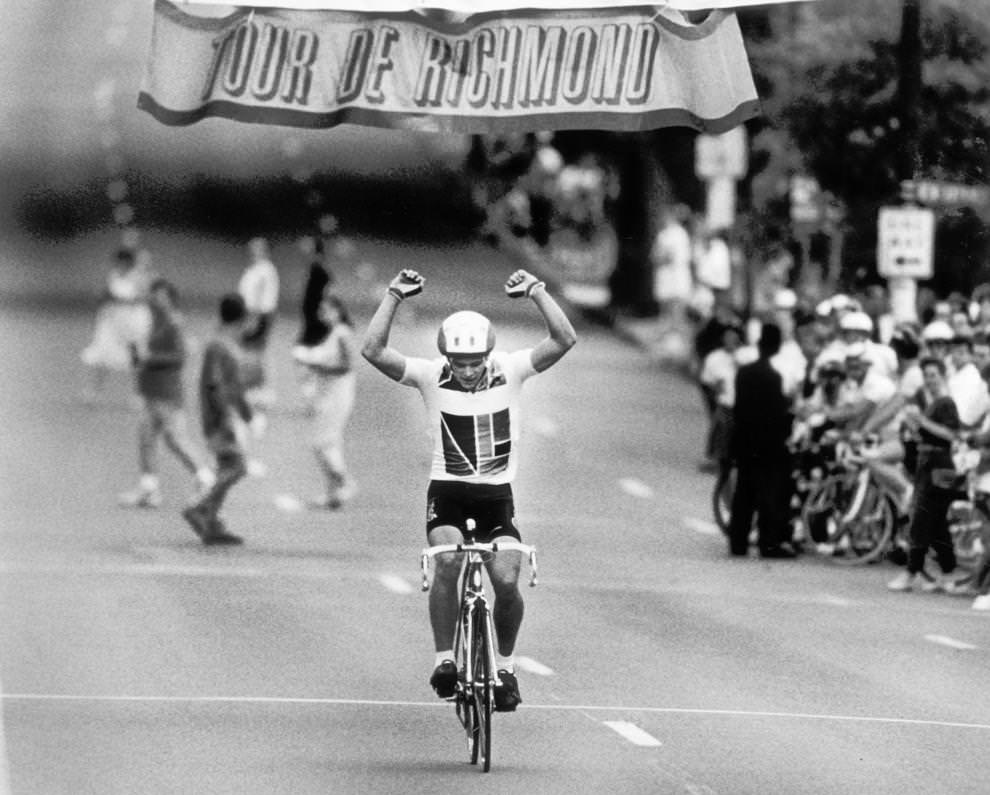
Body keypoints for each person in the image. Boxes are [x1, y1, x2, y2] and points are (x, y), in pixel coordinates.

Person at [361, 267, 576, 712]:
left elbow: (563, 340)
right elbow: (372, 350)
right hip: (448, 493)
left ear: (487, 355)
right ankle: (445, 661)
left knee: (506, 580)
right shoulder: (428, 374)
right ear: (446, 359)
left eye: (474, 362)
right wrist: (394, 296)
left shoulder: (511, 370)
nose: (466, 370)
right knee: (447, 565)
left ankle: (506, 669)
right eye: (459, 364)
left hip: (497, 494)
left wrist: (537, 292)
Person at [118, 278, 215, 508]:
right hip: (152, 390)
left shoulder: (173, 323)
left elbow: (180, 357)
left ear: (170, 300)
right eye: (153, 296)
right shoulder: (154, 322)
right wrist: (134, 351)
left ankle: (207, 480)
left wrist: (147, 359)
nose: (155, 301)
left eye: (160, 297)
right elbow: (138, 361)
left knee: (176, 439)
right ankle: (149, 490)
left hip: (167, 393)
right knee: (146, 439)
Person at [182, 294, 259, 546]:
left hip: (223, 414)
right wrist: (227, 417)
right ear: (242, 317)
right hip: (219, 417)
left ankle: (211, 524)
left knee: (228, 467)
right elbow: (217, 384)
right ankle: (200, 506)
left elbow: (233, 385)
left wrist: (246, 412)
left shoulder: (223, 343)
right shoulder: (220, 345)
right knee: (238, 467)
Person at [888, 356, 963, 592]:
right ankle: (948, 571)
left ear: (942, 375)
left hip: (940, 463)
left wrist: (922, 422)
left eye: (933, 375)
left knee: (922, 518)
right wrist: (915, 426)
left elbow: (951, 434)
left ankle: (912, 571)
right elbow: (927, 435)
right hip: (929, 462)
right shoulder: (933, 404)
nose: (929, 380)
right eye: (926, 376)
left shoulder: (946, 403)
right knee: (936, 521)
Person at [727, 322, 796, 558]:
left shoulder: (744, 373)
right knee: (769, 493)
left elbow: (737, 407)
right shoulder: (773, 377)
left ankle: (738, 542)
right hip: (768, 443)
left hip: (744, 439)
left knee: (743, 492)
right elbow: (778, 412)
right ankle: (768, 543)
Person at [292, 293, 358, 509]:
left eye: (326, 310)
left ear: (337, 311)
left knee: (322, 443)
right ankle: (332, 494)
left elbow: (348, 365)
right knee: (329, 443)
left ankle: (343, 481)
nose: (323, 315)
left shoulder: (342, 334)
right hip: (328, 393)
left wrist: (317, 367)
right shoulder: (333, 334)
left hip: (337, 396)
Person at [80, 247, 152, 402]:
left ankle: (137, 394)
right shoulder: (113, 275)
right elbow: (104, 295)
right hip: (112, 321)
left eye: (122, 262)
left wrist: (117, 299)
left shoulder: (138, 277)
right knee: (103, 354)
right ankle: (94, 392)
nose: (119, 265)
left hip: (132, 321)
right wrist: (104, 298)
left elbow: (143, 298)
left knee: (135, 358)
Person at [238, 237, 280, 473]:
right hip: (253, 316)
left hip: (258, 318)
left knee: (253, 357)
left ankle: (258, 399)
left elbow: (260, 300)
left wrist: (252, 322)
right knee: (252, 357)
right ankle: (256, 395)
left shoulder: (265, 270)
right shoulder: (255, 269)